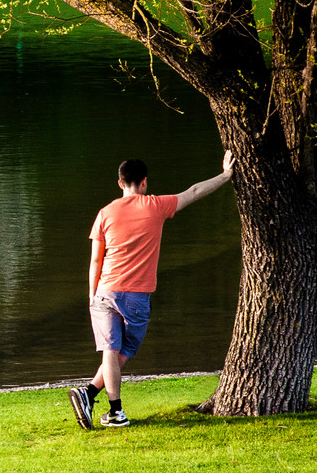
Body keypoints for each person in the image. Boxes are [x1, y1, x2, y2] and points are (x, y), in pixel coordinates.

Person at [70, 151, 235, 429]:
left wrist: (91, 294)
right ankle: (102, 404)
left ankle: (99, 401)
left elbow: (96, 260)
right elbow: (193, 192)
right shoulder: (156, 206)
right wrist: (226, 175)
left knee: (110, 350)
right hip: (136, 295)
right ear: (144, 182)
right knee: (124, 350)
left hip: (104, 290)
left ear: (120, 183)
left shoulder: (105, 213)